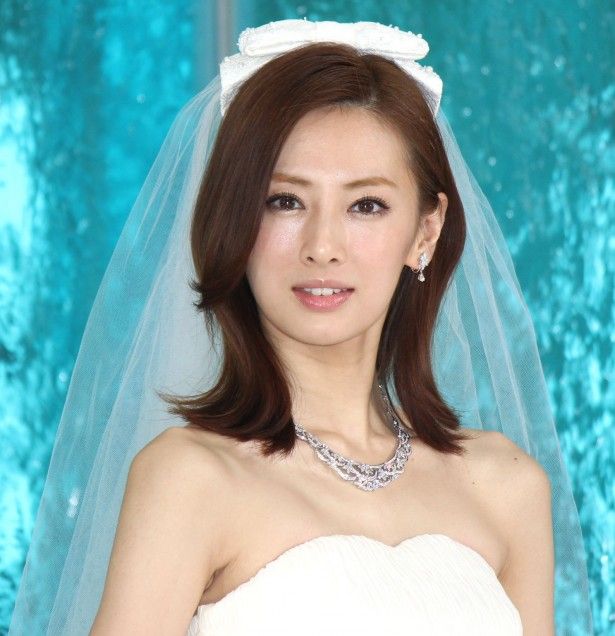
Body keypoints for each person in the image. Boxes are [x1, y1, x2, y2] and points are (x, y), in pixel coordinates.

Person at [8, 18, 593, 636]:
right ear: (236, 220)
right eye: (284, 201)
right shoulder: (189, 478)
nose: (322, 246)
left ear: (426, 231)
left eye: (366, 205)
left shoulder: (507, 487)